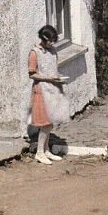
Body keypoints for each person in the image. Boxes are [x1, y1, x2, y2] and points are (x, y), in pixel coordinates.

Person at [28, 24, 70, 165]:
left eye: (54, 41)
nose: (52, 43)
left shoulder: (52, 51)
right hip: (42, 90)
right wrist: (48, 79)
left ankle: (46, 150)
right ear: (43, 39)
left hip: (54, 88)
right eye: (50, 41)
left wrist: (58, 78)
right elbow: (32, 74)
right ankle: (39, 152)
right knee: (45, 123)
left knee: (51, 122)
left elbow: (53, 69)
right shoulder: (35, 52)